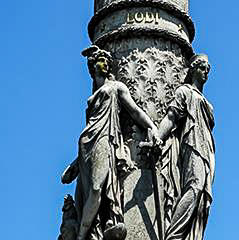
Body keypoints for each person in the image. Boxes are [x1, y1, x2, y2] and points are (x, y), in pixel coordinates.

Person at [61, 45, 160, 240]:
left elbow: (134, 111)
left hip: (106, 139)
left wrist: (152, 127)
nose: (104, 63)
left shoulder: (116, 87)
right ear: (92, 67)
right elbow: (91, 125)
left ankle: (82, 234)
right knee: (88, 191)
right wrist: (74, 165)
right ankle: (92, 229)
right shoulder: (92, 98)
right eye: (100, 60)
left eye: (106, 61)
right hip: (87, 143)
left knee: (98, 188)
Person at [157, 54, 215, 240]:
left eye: (208, 69)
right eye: (202, 67)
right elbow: (171, 117)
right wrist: (158, 137)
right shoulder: (184, 92)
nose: (205, 71)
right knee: (195, 187)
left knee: (203, 199)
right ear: (192, 69)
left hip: (207, 149)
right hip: (192, 142)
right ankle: (174, 235)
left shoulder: (208, 105)